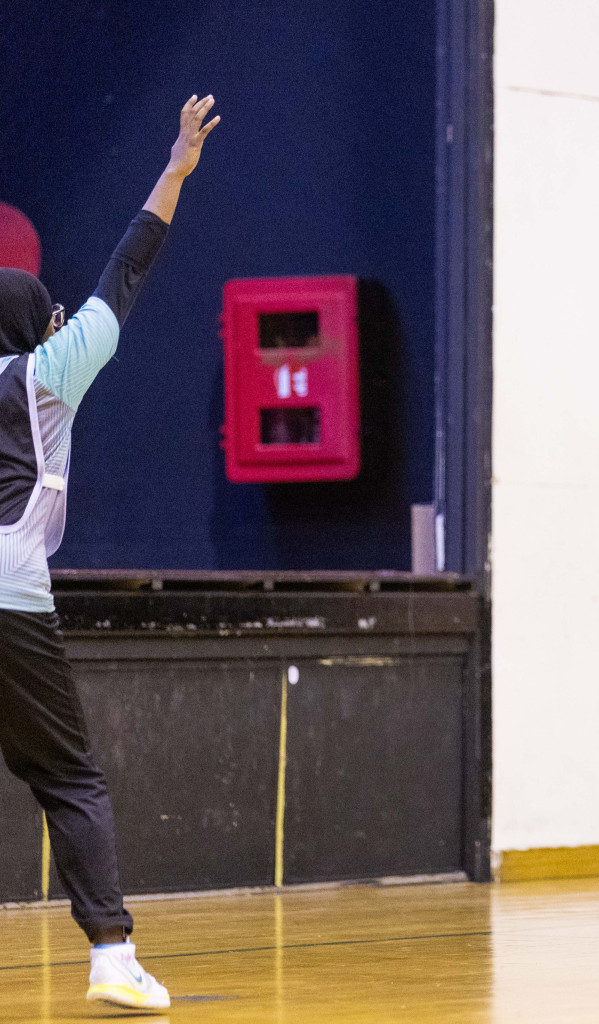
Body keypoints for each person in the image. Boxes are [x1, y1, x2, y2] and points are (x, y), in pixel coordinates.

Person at [0, 94, 219, 1010]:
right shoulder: (52, 368)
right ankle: (111, 956)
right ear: (41, 323)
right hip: (13, 600)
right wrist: (175, 166)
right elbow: (128, 268)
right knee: (70, 777)